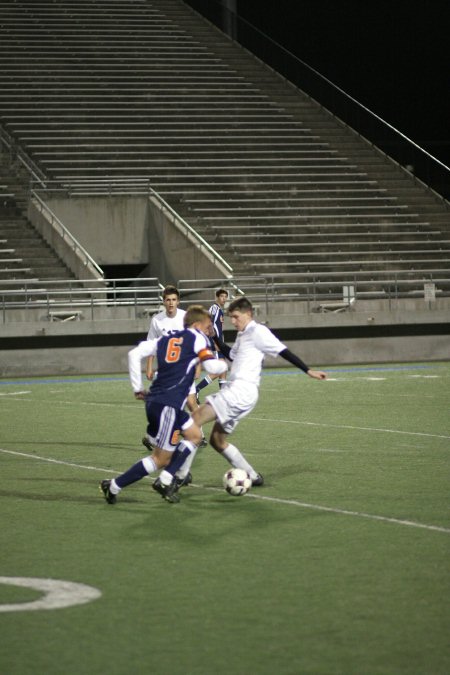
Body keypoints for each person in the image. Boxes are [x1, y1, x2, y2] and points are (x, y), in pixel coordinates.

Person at [167, 296, 327, 491]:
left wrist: (307, 370)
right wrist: (214, 337)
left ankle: (181, 475)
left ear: (248, 314)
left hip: (240, 391)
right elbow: (231, 355)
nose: (233, 322)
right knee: (217, 441)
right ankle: (252, 475)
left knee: (193, 422)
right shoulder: (243, 335)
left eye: (236, 317)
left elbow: (283, 351)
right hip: (241, 394)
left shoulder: (258, 331)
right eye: (231, 318)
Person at [99, 305, 228, 505]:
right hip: (168, 405)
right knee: (160, 459)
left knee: (195, 435)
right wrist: (224, 365)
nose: (209, 330)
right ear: (196, 325)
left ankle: (168, 478)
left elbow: (134, 354)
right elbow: (212, 366)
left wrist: (137, 387)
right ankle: (116, 485)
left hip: (159, 402)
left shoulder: (165, 339)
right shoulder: (197, 337)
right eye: (207, 326)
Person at [143, 284, 204, 449]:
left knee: (192, 402)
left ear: (178, 301)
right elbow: (151, 345)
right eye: (168, 300)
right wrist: (149, 367)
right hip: (166, 372)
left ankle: (199, 434)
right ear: (163, 302)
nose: (171, 303)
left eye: (174, 300)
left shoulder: (185, 318)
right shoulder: (157, 320)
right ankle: (152, 436)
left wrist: (198, 366)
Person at [196, 288, 228, 398]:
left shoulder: (219, 309)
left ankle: (223, 396)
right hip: (216, 344)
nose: (224, 299)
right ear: (217, 297)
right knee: (220, 369)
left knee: (223, 369)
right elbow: (209, 323)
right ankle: (197, 389)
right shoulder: (214, 308)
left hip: (219, 343)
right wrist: (214, 341)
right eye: (222, 296)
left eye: (225, 297)